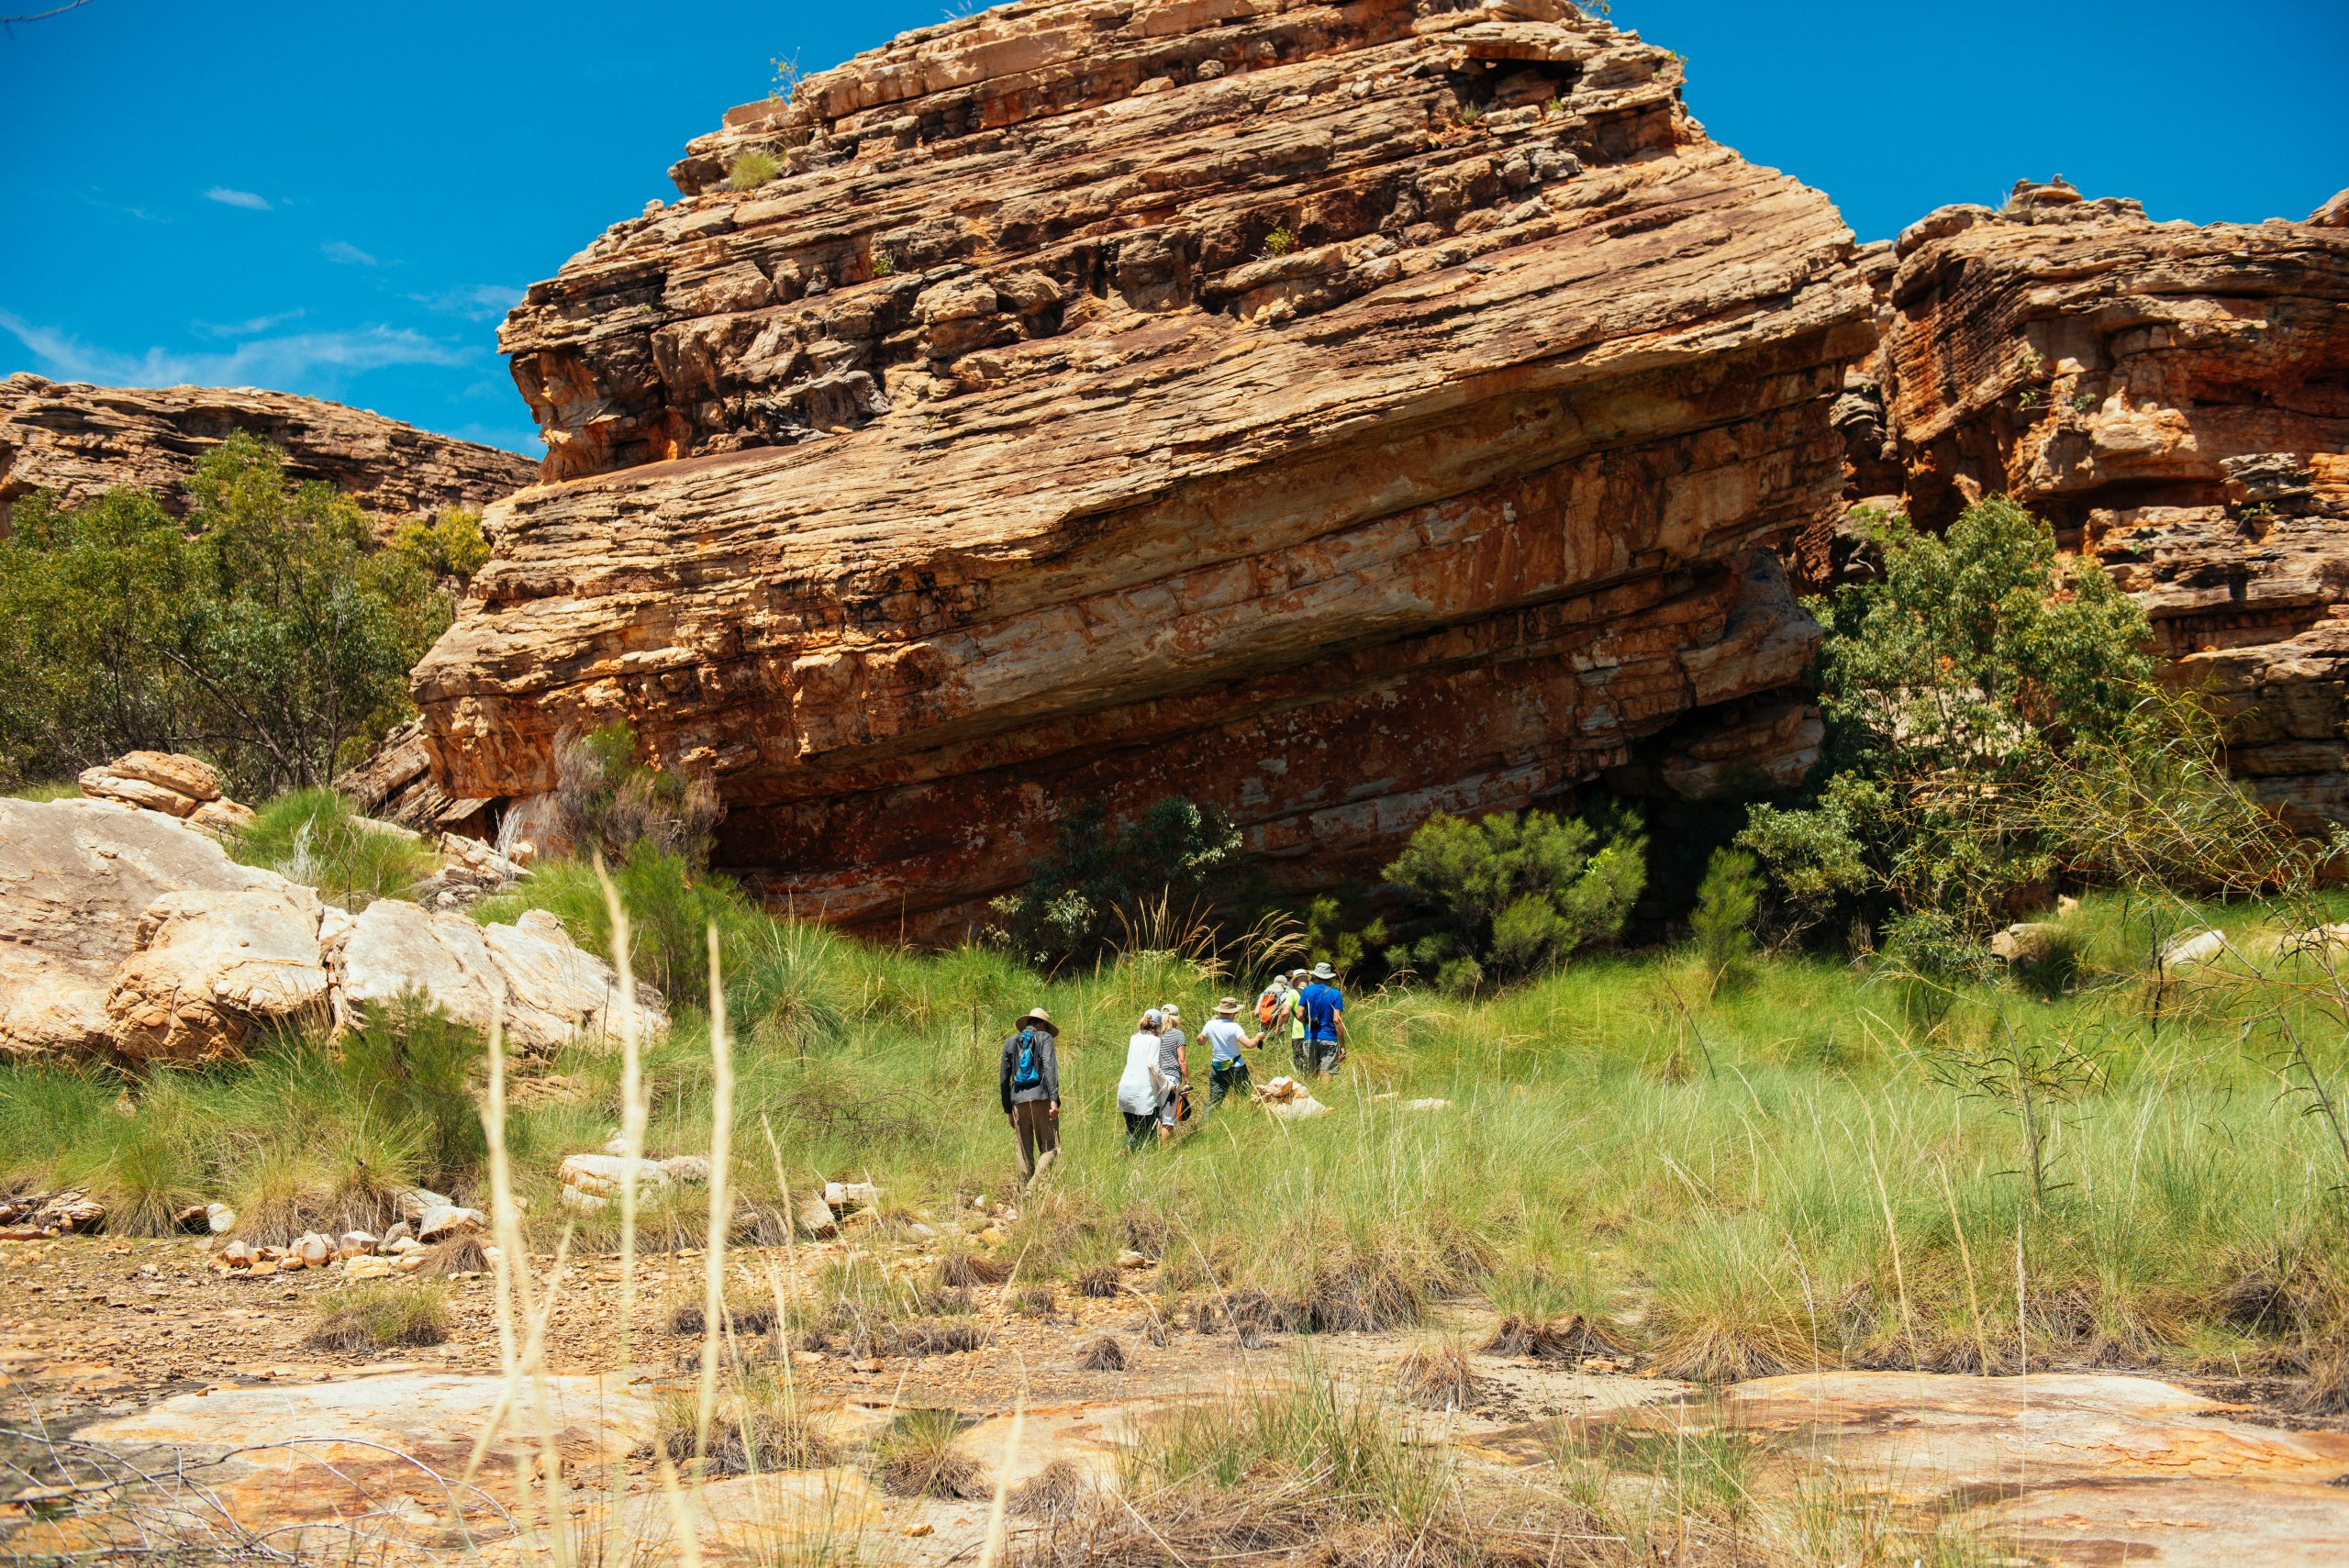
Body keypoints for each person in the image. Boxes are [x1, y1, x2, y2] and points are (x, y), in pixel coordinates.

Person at [997, 1006, 1061, 1184]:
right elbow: (1049, 1067)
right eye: (1047, 1027)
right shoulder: (1044, 1037)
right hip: (1042, 1099)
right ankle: (1031, 1190)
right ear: (1042, 1024)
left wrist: (1008, 1110)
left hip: (1018, 1102)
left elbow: (1004, 1079)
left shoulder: (1010, 1042)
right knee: (1050, 1148)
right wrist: (1054, 1099)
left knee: (1023, 1151)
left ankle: (1024, 1200)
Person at [1117, 1010, 1170, 1152]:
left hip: (1125, 1088)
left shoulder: (1134, 1038)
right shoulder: (1155, 1040)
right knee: (1147, 1133)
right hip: (1143, 1093)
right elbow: (1153, 1065)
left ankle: (1125, 1155)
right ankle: (1142, 1158)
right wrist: (1167, 1084)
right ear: (1159, 1026)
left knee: (1132, 1130)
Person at [1201, 996, 1262, 1110]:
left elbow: (1200, 1041)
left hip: (1216, 1067)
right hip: (1236, 1067)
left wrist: (1211, 1024)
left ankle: (1206, 1125)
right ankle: (1246, 1120)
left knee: (1214, 1101)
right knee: (1245, 1097)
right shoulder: (1234, 1027)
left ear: (1220, 1010)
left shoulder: (1210, 1024)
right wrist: (1258, 1037)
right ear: (1233, 1012)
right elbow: (1249, 1044)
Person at [1299, 962, 1347, 1075]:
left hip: (1310, 1037)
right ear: (1329, 977)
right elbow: (1337, 1021)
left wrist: (1308, 1024)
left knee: (1311, 1072)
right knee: (1326, 1072)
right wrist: (1343, 1045)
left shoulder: (1306, 991)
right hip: (1329, 1038)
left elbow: (1299, 1014)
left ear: (1315, 976)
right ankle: (1325, 1092)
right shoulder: (1336, 994)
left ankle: (1311, 1092)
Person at [1155, 1003, 1190, 1142]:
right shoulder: (1178, 1034)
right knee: (1168, 1118)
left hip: (1156, 1077)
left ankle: (1153, 1147)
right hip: (1171, 1079)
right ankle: (1163, 1152)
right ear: (1176, 1018)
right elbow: (1182, 1060)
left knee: (1157, 1115)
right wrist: (1187, 1082)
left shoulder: (1155, 1033)